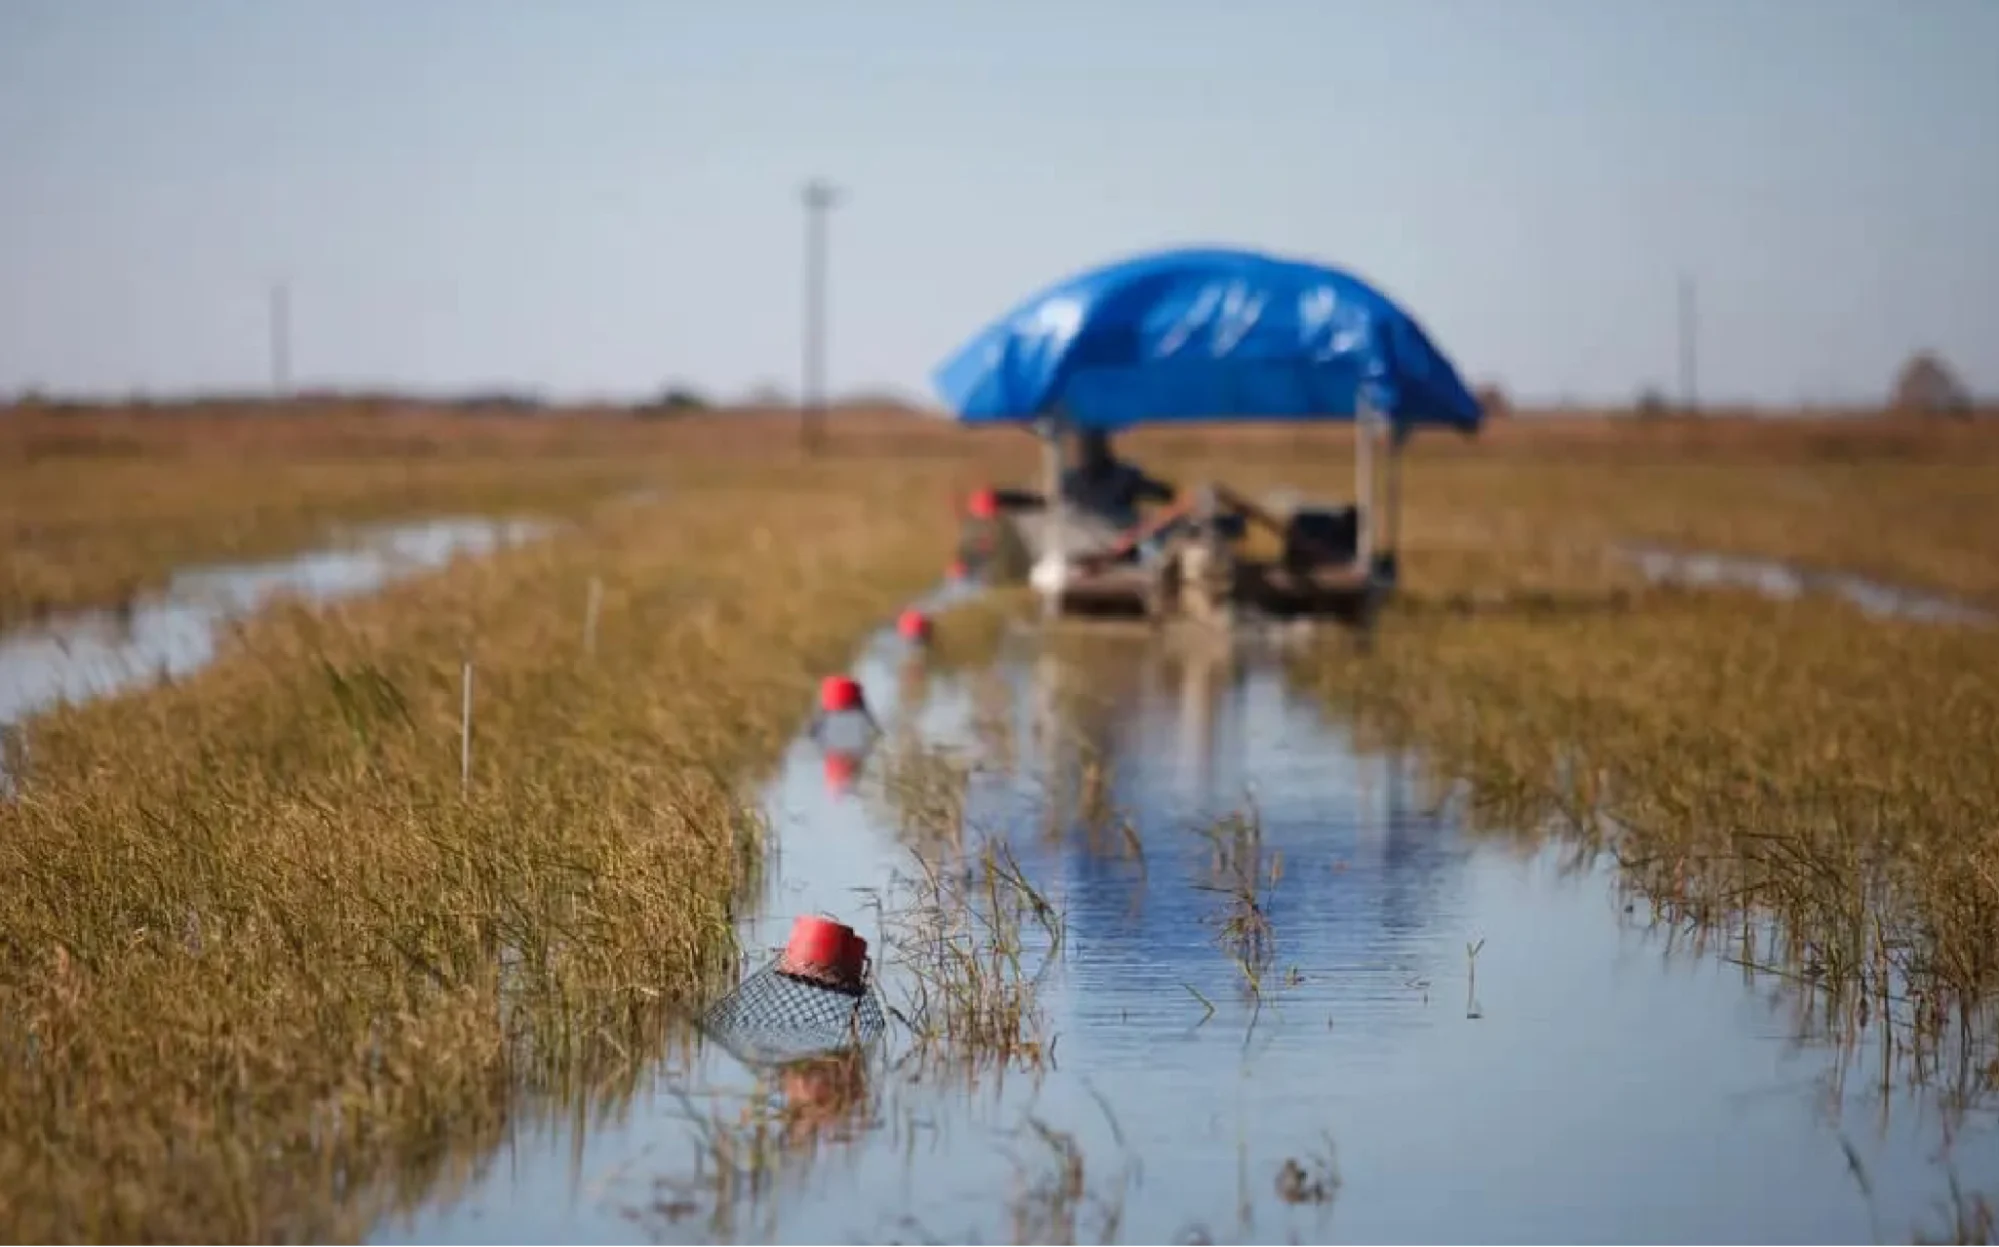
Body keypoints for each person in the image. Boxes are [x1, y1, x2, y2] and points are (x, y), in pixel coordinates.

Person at [1058, 428, 1175, 532]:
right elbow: (1164, 493)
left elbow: (1163, 492)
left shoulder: (1069, 482)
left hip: (1090, 543)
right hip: (1119, 539)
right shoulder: (1125, 475)